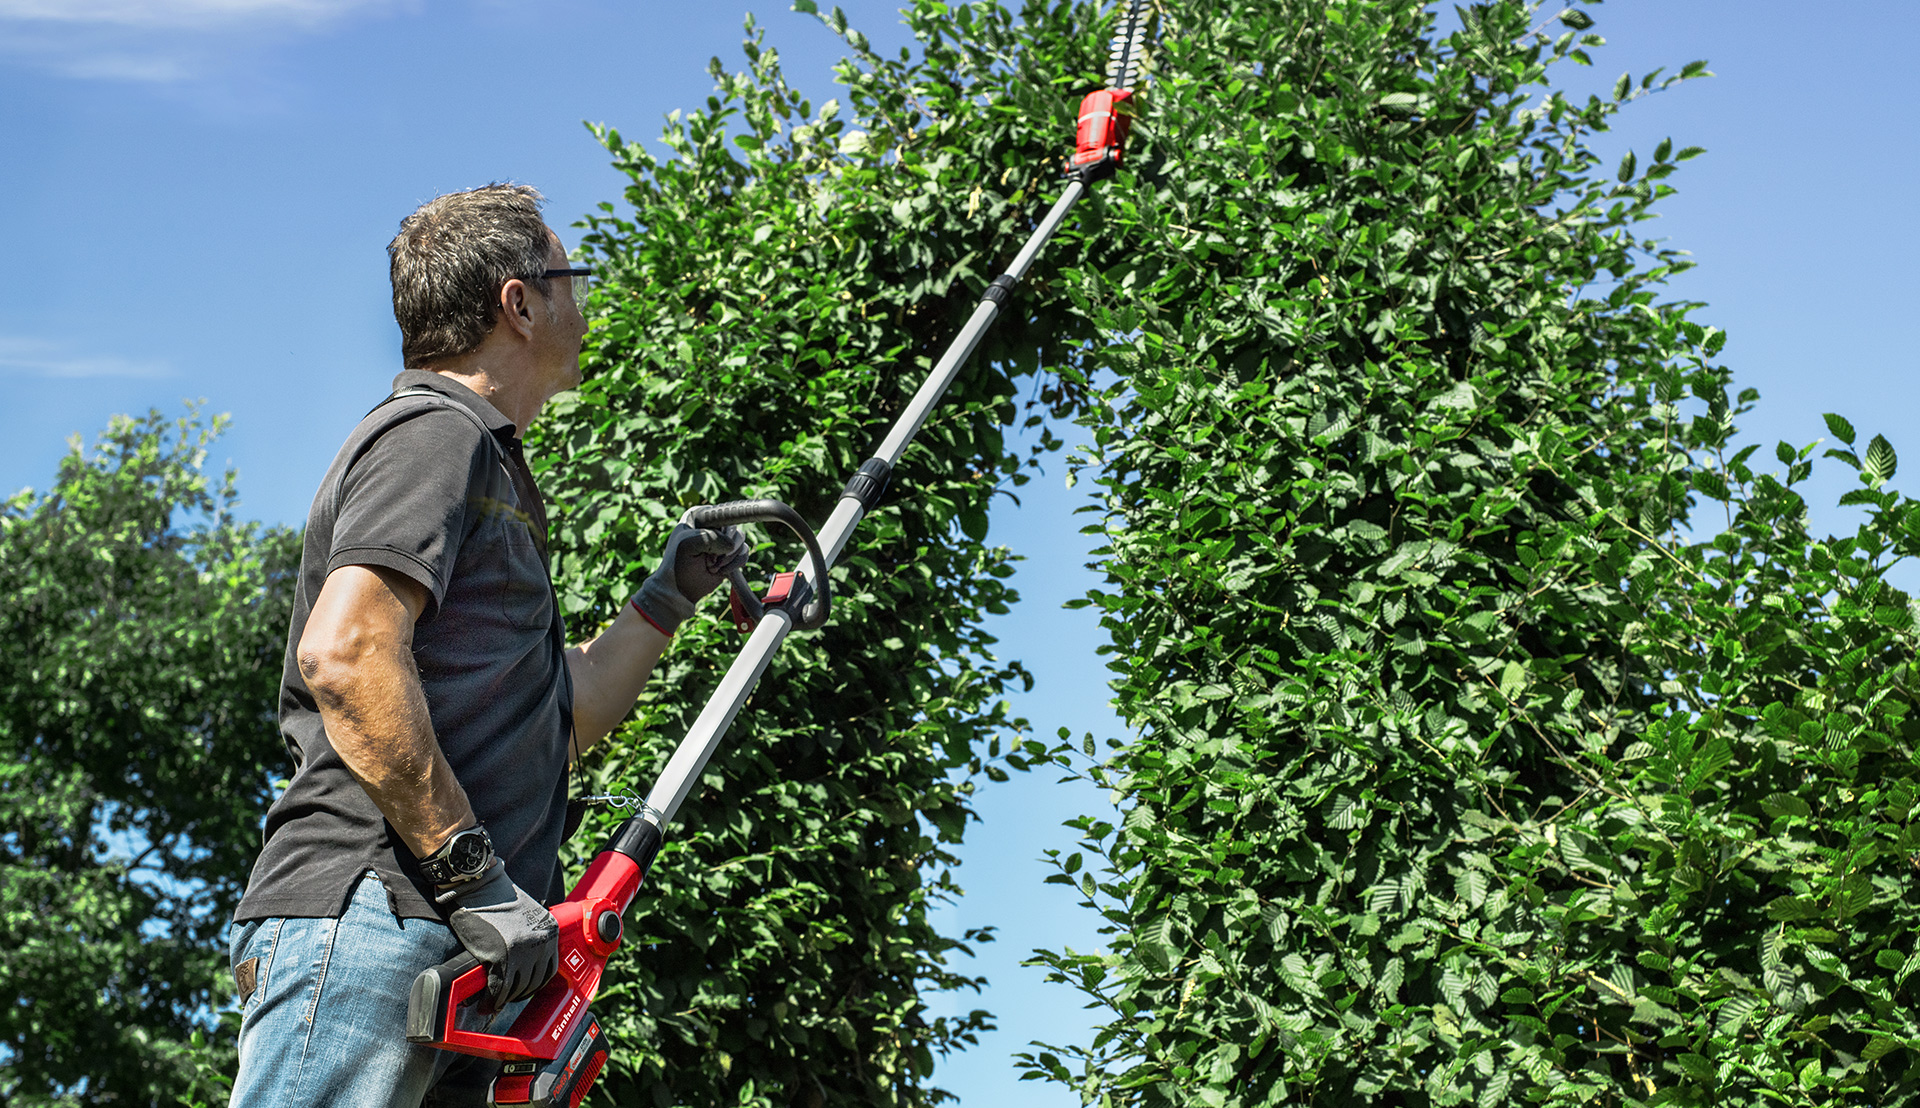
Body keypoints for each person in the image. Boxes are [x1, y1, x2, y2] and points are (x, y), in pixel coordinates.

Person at [225, 183, 745, 1106]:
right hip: (379, 919)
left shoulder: (488, 463)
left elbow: (564, 713)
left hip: (459, 948)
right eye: (569, 279)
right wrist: (474, 877)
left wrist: (667, 598)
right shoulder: (435, 434)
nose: (582, 306)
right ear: (519, 301)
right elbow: (344, 653)